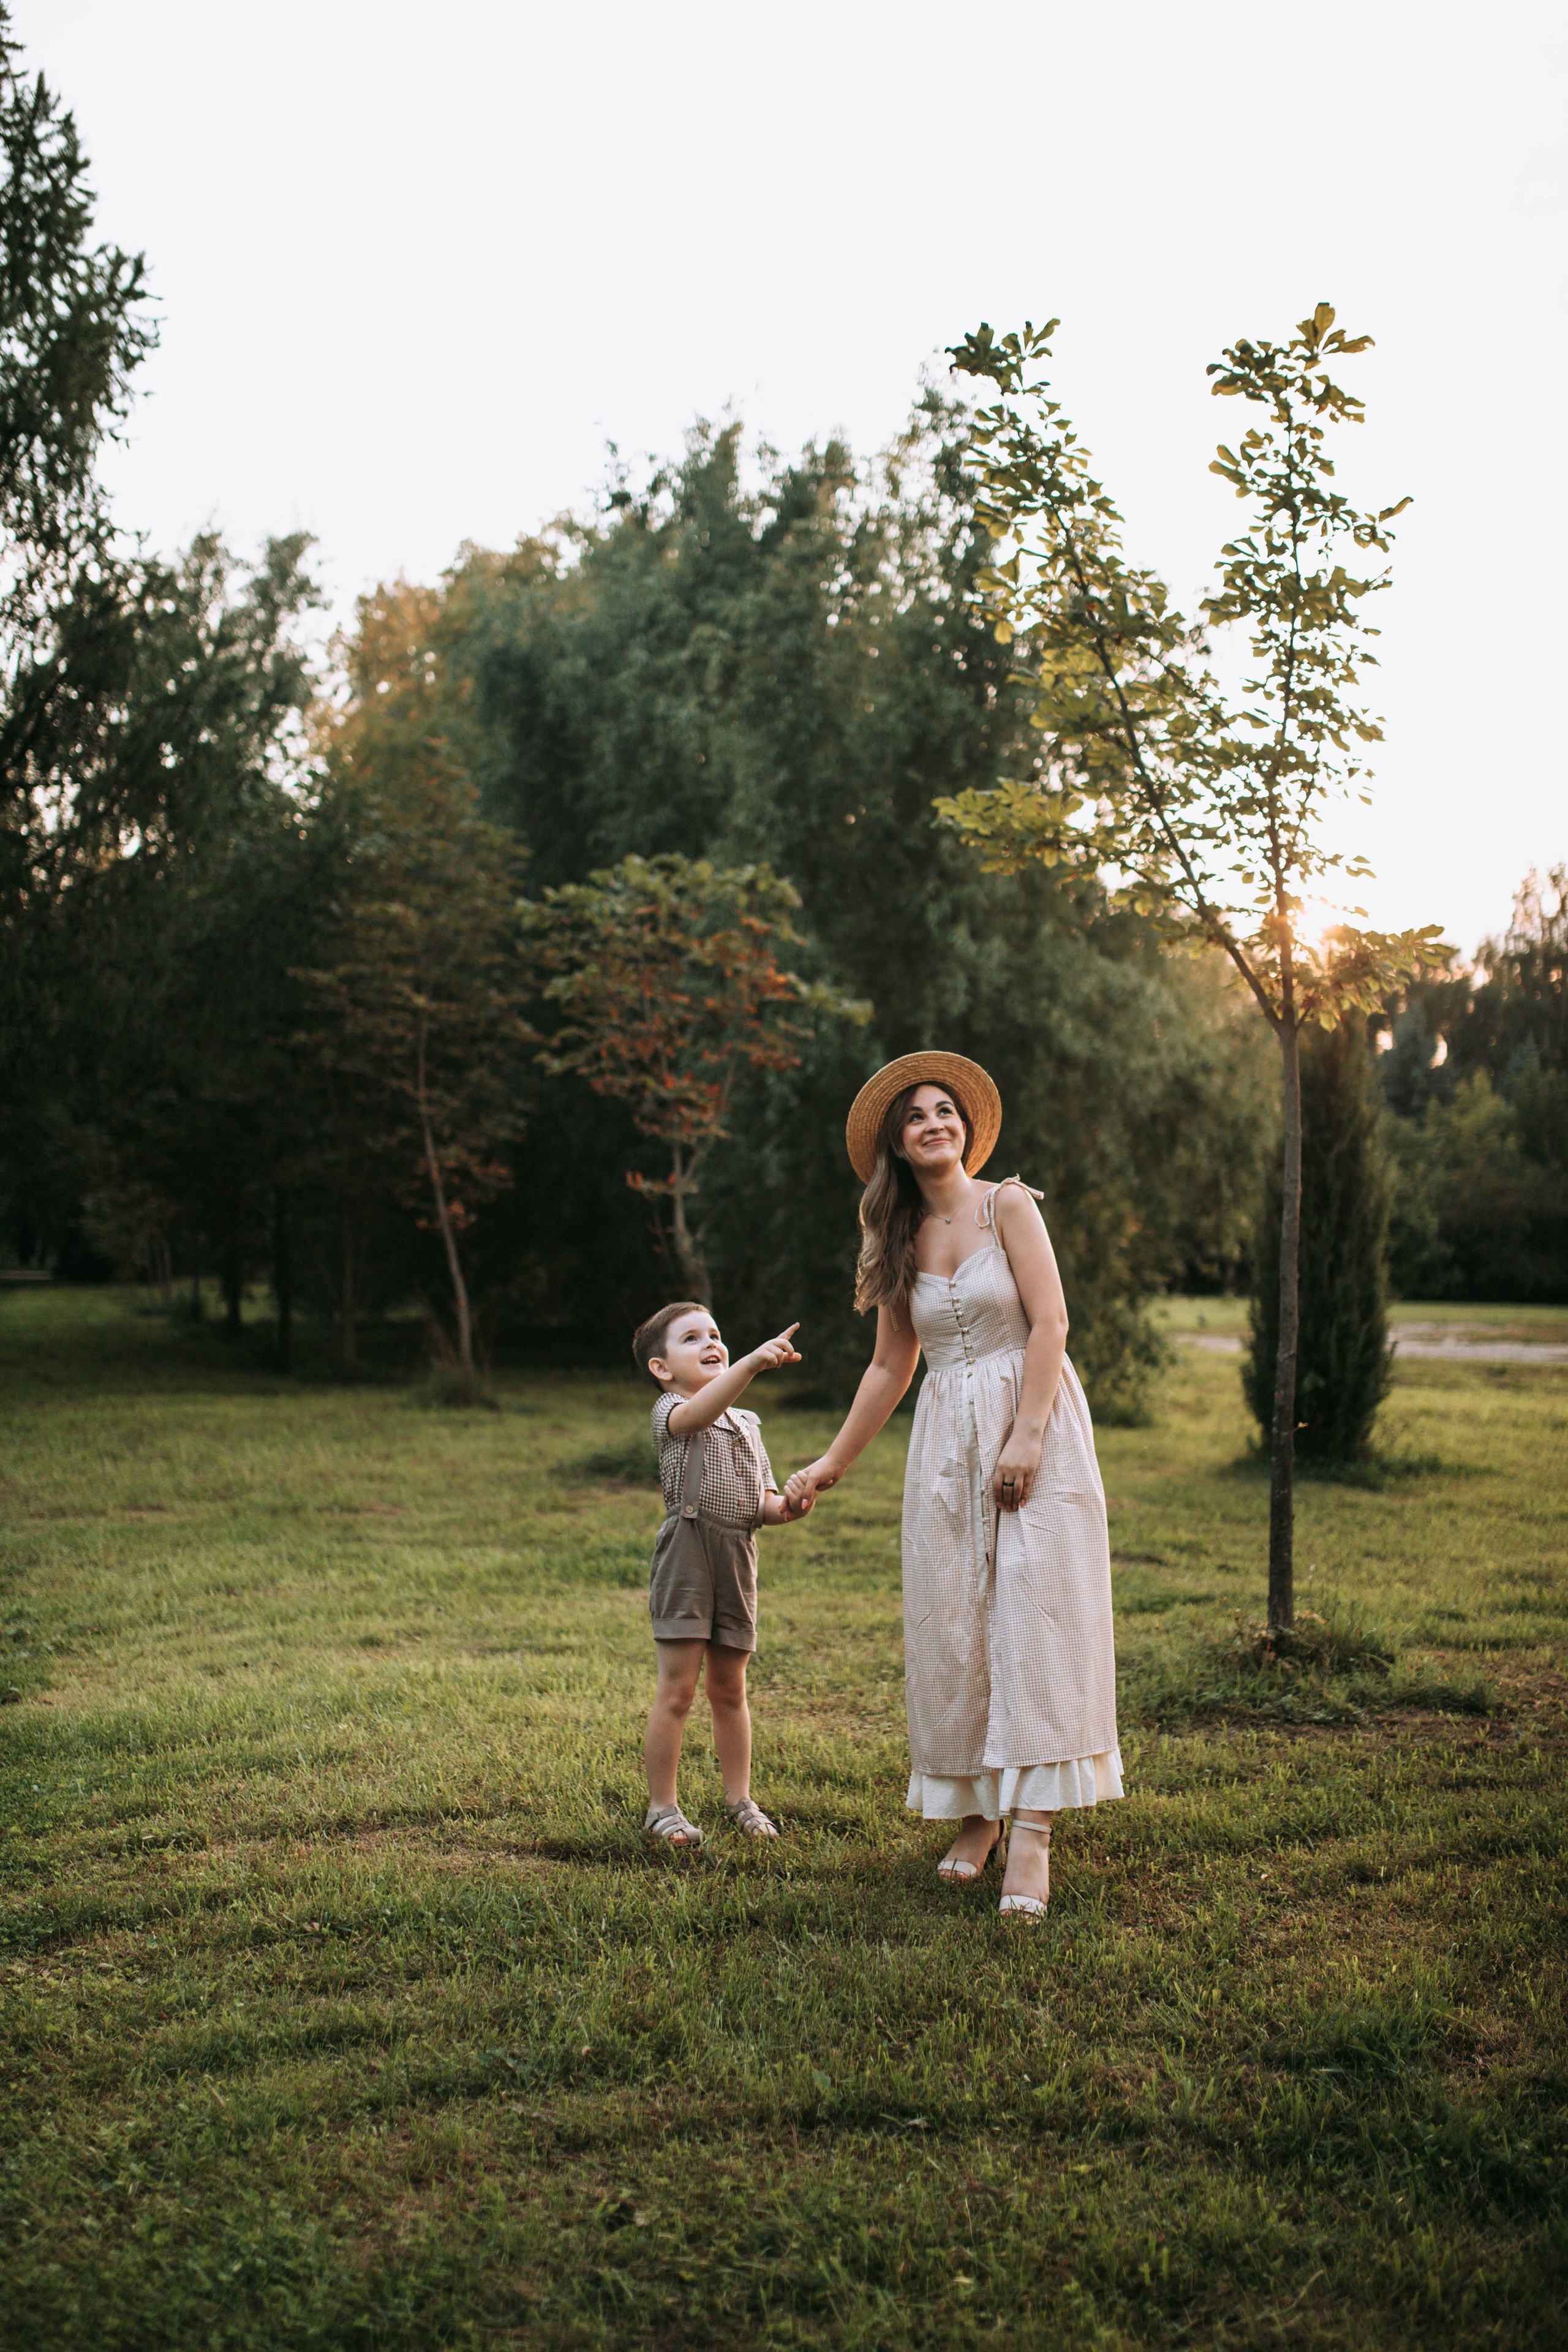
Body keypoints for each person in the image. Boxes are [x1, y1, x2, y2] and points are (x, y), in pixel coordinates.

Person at [784, 1052, 1121, 1920]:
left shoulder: (1007, 1204)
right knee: (957, 1624)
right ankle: (977, 1816)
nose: (934, 1123)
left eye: (945, 1111)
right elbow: (890, 1368)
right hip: (945, 1443)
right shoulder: (896, 1239)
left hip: (1033, 1421)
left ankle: (1034, 1830)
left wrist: (1028, 1435)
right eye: (916, 1117)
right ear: (897, 1145)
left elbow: (1051, 1321)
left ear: (965, 1128)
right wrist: (831, 1463)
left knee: (1040, 1616)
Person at [633, 1300, 812, 1849]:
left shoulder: (748, 1424)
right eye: (691, 1338)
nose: (711, 1343)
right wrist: (752, 1363)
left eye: (714, 1333)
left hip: (737, 1557)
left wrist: (792, 1505)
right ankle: (662, 1808)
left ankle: (740, 1798)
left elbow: (764, 1504)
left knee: (730, 1688)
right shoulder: (672, 1410)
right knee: (678, 1690)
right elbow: (699, 1415)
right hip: (687, 1555)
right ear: (662, 1368)